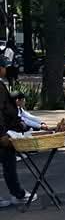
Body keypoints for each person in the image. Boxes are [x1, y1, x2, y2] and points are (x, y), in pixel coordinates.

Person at [0, 59, 28, 208]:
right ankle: (18, 194)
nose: (6, 70)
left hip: (6, 130)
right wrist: (2, 134)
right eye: (4, 67)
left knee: (8, 162)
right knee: (8, 162)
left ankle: (18, 193)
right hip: (2, 134)